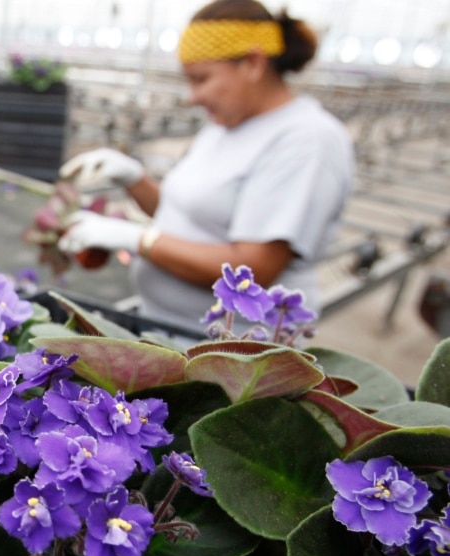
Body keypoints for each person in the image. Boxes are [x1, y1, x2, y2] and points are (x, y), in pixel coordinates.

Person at [58, 0, 354, 335]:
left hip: (232, 351)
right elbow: (187, 219)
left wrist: (135, 239)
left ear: (254, 63)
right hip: (166, 327)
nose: (192, 96)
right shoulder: (223, 126)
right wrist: (134, 179)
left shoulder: (305, 140)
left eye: (201, 79)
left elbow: (255, 267)